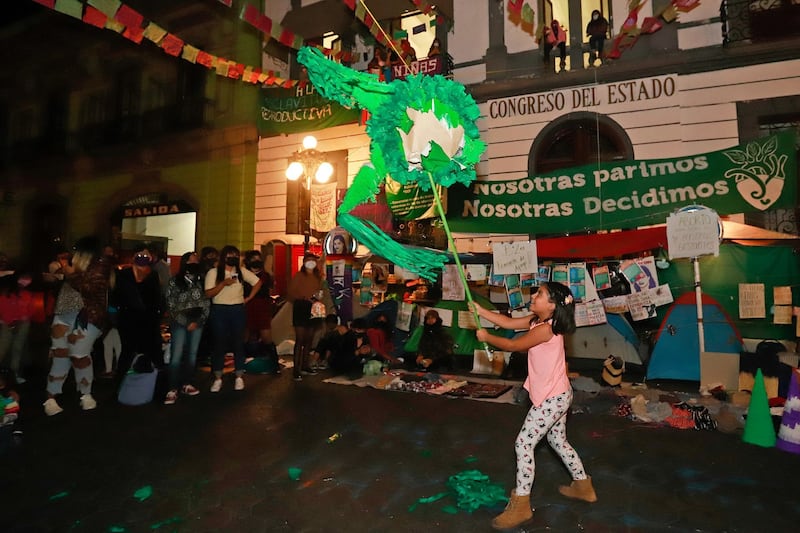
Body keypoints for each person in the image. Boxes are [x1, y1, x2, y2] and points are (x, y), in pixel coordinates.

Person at [472, 282, 596, 530]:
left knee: (524, 443)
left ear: (552, 305)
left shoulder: (547, 330)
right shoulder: (535, 321)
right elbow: (507, 323)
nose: (534, 295)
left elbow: (514, 345)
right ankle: (584, 487)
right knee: (558, 442)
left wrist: (487, 337)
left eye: (539, 294)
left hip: (553, 398)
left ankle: (521, 505)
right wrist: (480, 311)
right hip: (558, 394)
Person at [43, 236, 112, 415]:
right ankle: (51, 397)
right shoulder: (74, 265)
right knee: (59, 354)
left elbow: (89, 287)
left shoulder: (100, 264)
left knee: (79, 355)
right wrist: (56, 277)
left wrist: (69, 273)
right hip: (63, 314)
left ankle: (86, 394)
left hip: (86, 317)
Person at [204, 245, 261, 392]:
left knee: (238, 343)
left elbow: (257, 282)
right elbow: (208, 293)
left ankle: (239, 376)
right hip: (219, 310)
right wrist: (223, 283)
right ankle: (217, 377)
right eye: (230, 255)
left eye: (235, 255)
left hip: (237, 309)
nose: (233, 258)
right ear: (223, 257)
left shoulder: (241, 272)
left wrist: (248, 298)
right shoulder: (214, 272)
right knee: (219, 344)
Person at [164, 252, 210, 405]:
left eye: (197, 259)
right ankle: (172, 388)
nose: (195, 261)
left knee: (192, 354)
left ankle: (187, 383)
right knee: (176, 354)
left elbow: (206, 302)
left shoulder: (201, 281)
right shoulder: (175, 281)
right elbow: (171, 304)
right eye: (192, 259)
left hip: (198, 321)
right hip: (179, 321)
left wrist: (199, 320)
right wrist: (185, 321)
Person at [113, 246, 163, 377]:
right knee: (128, 351)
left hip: (149, 320)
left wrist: (158, 315)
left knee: (151, 351)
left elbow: (157, 297)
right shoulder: (124, 274)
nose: (143, 257)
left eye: (146, 255)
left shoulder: (153, 275)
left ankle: (149, 383)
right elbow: (118, 296)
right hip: (128, 319)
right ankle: (121, 383)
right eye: (140, 255)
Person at [287, 252, 330, 381]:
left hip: (313, 307)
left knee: (309, 339)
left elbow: (320, 291)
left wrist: (318, 297)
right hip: (301, 307)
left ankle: (305, 365)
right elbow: (290, 292)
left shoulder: (318, 277)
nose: (311, 262)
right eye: (308, 260)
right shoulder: (299, 276)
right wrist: (303, 298)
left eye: (313, 260)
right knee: (300, 339)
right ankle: (296, 369)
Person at [242, 249, 279, 370]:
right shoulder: (243, 274)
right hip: (247, 306)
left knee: (266, 334)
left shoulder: (265, 275)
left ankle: (274, 363)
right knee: (245, 334)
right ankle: (242, 363)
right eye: (253, 259)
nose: (256, 262)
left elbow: (271, 287)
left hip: (262, 306)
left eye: (258, 259)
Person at [0, 274, 35, 383]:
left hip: (23, 323)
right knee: (2, 348)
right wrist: (11, 322)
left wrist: (21, 320)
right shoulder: (6, 294)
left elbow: (30, 310)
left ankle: (14, 374)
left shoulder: (28, 294)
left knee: (17, 348)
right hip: (8, 323)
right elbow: (3, 309)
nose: (22, 285)